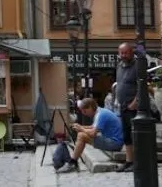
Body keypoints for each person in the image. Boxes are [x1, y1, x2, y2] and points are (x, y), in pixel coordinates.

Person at [58, 97, 124, 173]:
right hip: (114, 141)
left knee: (81, 135)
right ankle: (73, 161)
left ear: (90, 107)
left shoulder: (101, 115)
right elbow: (93, 127)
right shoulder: (100, 112)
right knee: (81, 134)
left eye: (85, 112)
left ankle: (72, 162)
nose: (85, 114)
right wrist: (81, 126)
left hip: (115, 143)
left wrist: (81, 129)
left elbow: (93, 133)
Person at [113, 42, 139, 173]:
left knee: (136, 136)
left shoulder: (137, 65)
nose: (123, 55)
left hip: (133, 107)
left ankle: (138, 162)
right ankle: (129, 162)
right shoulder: (119, 66)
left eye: (126, 52)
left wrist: (136, 101)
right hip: (123, 106)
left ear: (131, 52)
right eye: (121, 52)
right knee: (126, 136)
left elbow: (142, 86)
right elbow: (120, 84)